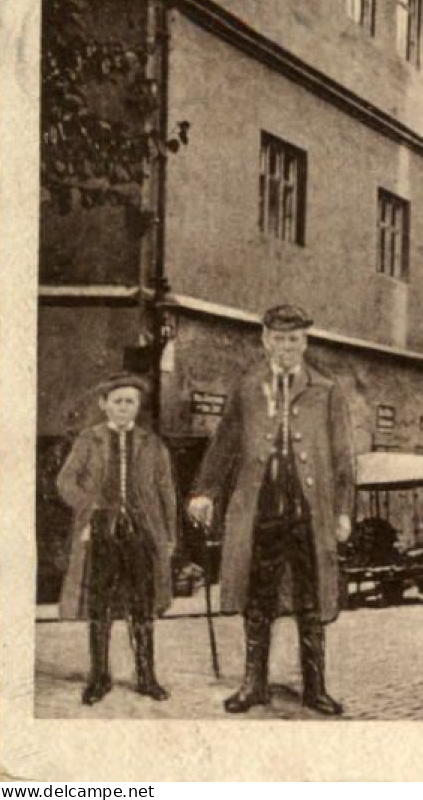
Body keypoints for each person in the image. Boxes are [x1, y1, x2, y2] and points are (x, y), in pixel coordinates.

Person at [187, 304, 356, 715]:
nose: (286, 347)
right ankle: (254, 685)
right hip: (260, 508)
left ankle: (315, 688)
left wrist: (342, 511)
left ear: (305, 342)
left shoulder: (326, 390)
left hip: (308, 512)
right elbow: (225, 442)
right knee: (257, 597)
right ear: (265, 340)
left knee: (311, 599)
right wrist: (204, 491)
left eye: (294, 339)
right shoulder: (247, 387)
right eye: (278, 339)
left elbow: (343, 457)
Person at [56, 373, 179, 705]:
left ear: (138, 407)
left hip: (141, 534)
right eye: (118, 401)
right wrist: (89, 503)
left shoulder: (152, 444)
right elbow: (65, 481)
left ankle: (147, 677)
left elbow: (167, 492)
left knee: (142, 606)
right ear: (104, 404)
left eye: (131, 402)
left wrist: (169, 537)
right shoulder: (88, 439)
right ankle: (99, 678)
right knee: (100, 606)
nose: (124, 408)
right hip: (101, 532)